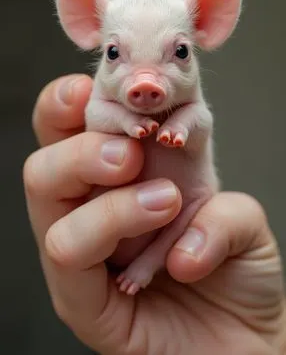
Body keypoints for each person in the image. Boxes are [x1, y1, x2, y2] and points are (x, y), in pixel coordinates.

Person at [23, 74, 286, 355]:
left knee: (189, 214)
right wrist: (126, 122)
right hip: (116, 251)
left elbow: (199, 119)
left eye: (180, 52)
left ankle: (147, 265)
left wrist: (180, 127)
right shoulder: (103, 95)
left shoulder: (190, 105)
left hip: (184, 214)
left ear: (208, 31)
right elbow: (97, 114)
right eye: (114, 53)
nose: (146, 79)